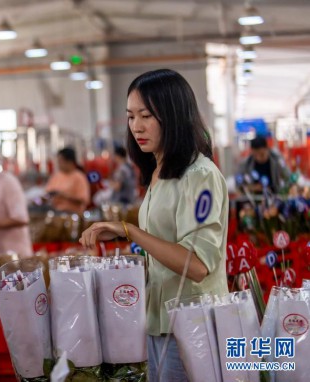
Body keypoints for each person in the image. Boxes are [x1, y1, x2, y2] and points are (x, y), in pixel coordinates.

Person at [79, 69, 228, 381]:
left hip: (192, 323)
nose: (136, 127)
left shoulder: (199, 176)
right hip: (160, 322)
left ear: (173, 116)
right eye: (131, 116)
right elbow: (162, 249)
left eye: (146, 115)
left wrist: (130, 230)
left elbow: (197, 264)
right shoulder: (160, 172)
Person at [45, 147, 91, 215]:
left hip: (73, 214)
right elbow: (47, 194)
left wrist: (64, 196)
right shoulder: (56, 176)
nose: (58, 164)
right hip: (55, 212)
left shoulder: (79, 177)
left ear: (69, 162)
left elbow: (83, 200)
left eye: (60, 161)